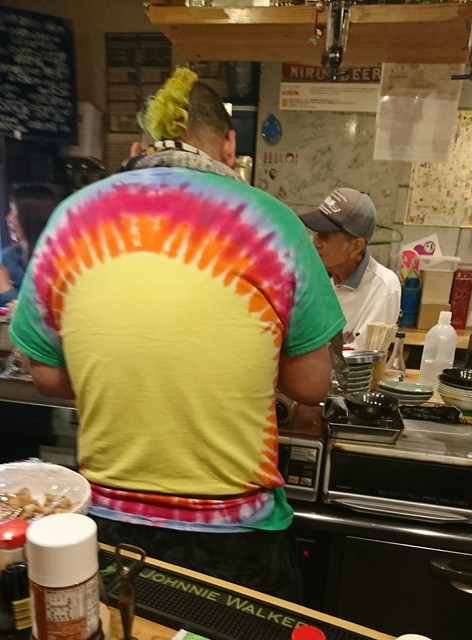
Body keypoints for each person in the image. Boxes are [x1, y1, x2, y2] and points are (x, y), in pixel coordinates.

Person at [9, 67, 345, 601]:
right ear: (229, 145)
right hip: (236, 532)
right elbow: (310, 386)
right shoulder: (272, 223)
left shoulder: (72, 217)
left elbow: (47, 376)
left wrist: (127, 374)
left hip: (108, 525)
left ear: (140, 146)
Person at [299, 187, 401, 349]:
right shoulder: (313, 276)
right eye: (316, 234)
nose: (316, 242)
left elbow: (365, 356)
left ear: (356, 246)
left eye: (325, 236)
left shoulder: (383, 287)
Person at [0, 184, 58, 307]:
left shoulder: (57, 262)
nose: (8, 218)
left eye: (14, 211)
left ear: (32, 217)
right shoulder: (9, 256)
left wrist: (6, 289)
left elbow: (40, 313)